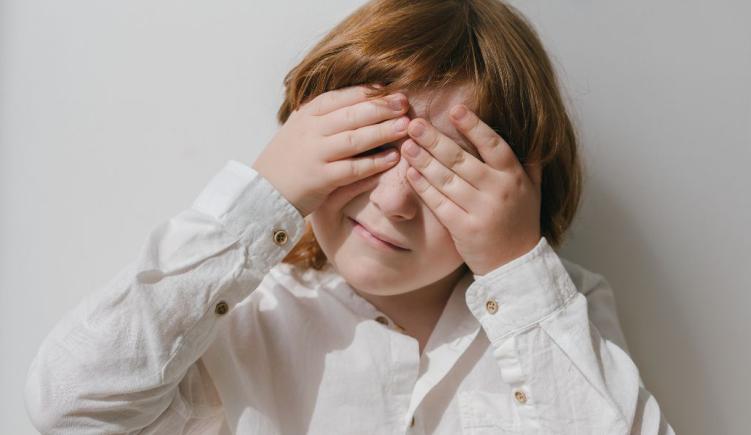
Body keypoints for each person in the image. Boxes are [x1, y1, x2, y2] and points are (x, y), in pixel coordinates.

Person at [24, 0, 675, 433]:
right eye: (369, 148)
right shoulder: (246, 317)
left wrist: (516, 266)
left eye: (444, 171)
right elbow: (70, 404)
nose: (393, 201)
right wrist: (264, 197)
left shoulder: (560, 310)